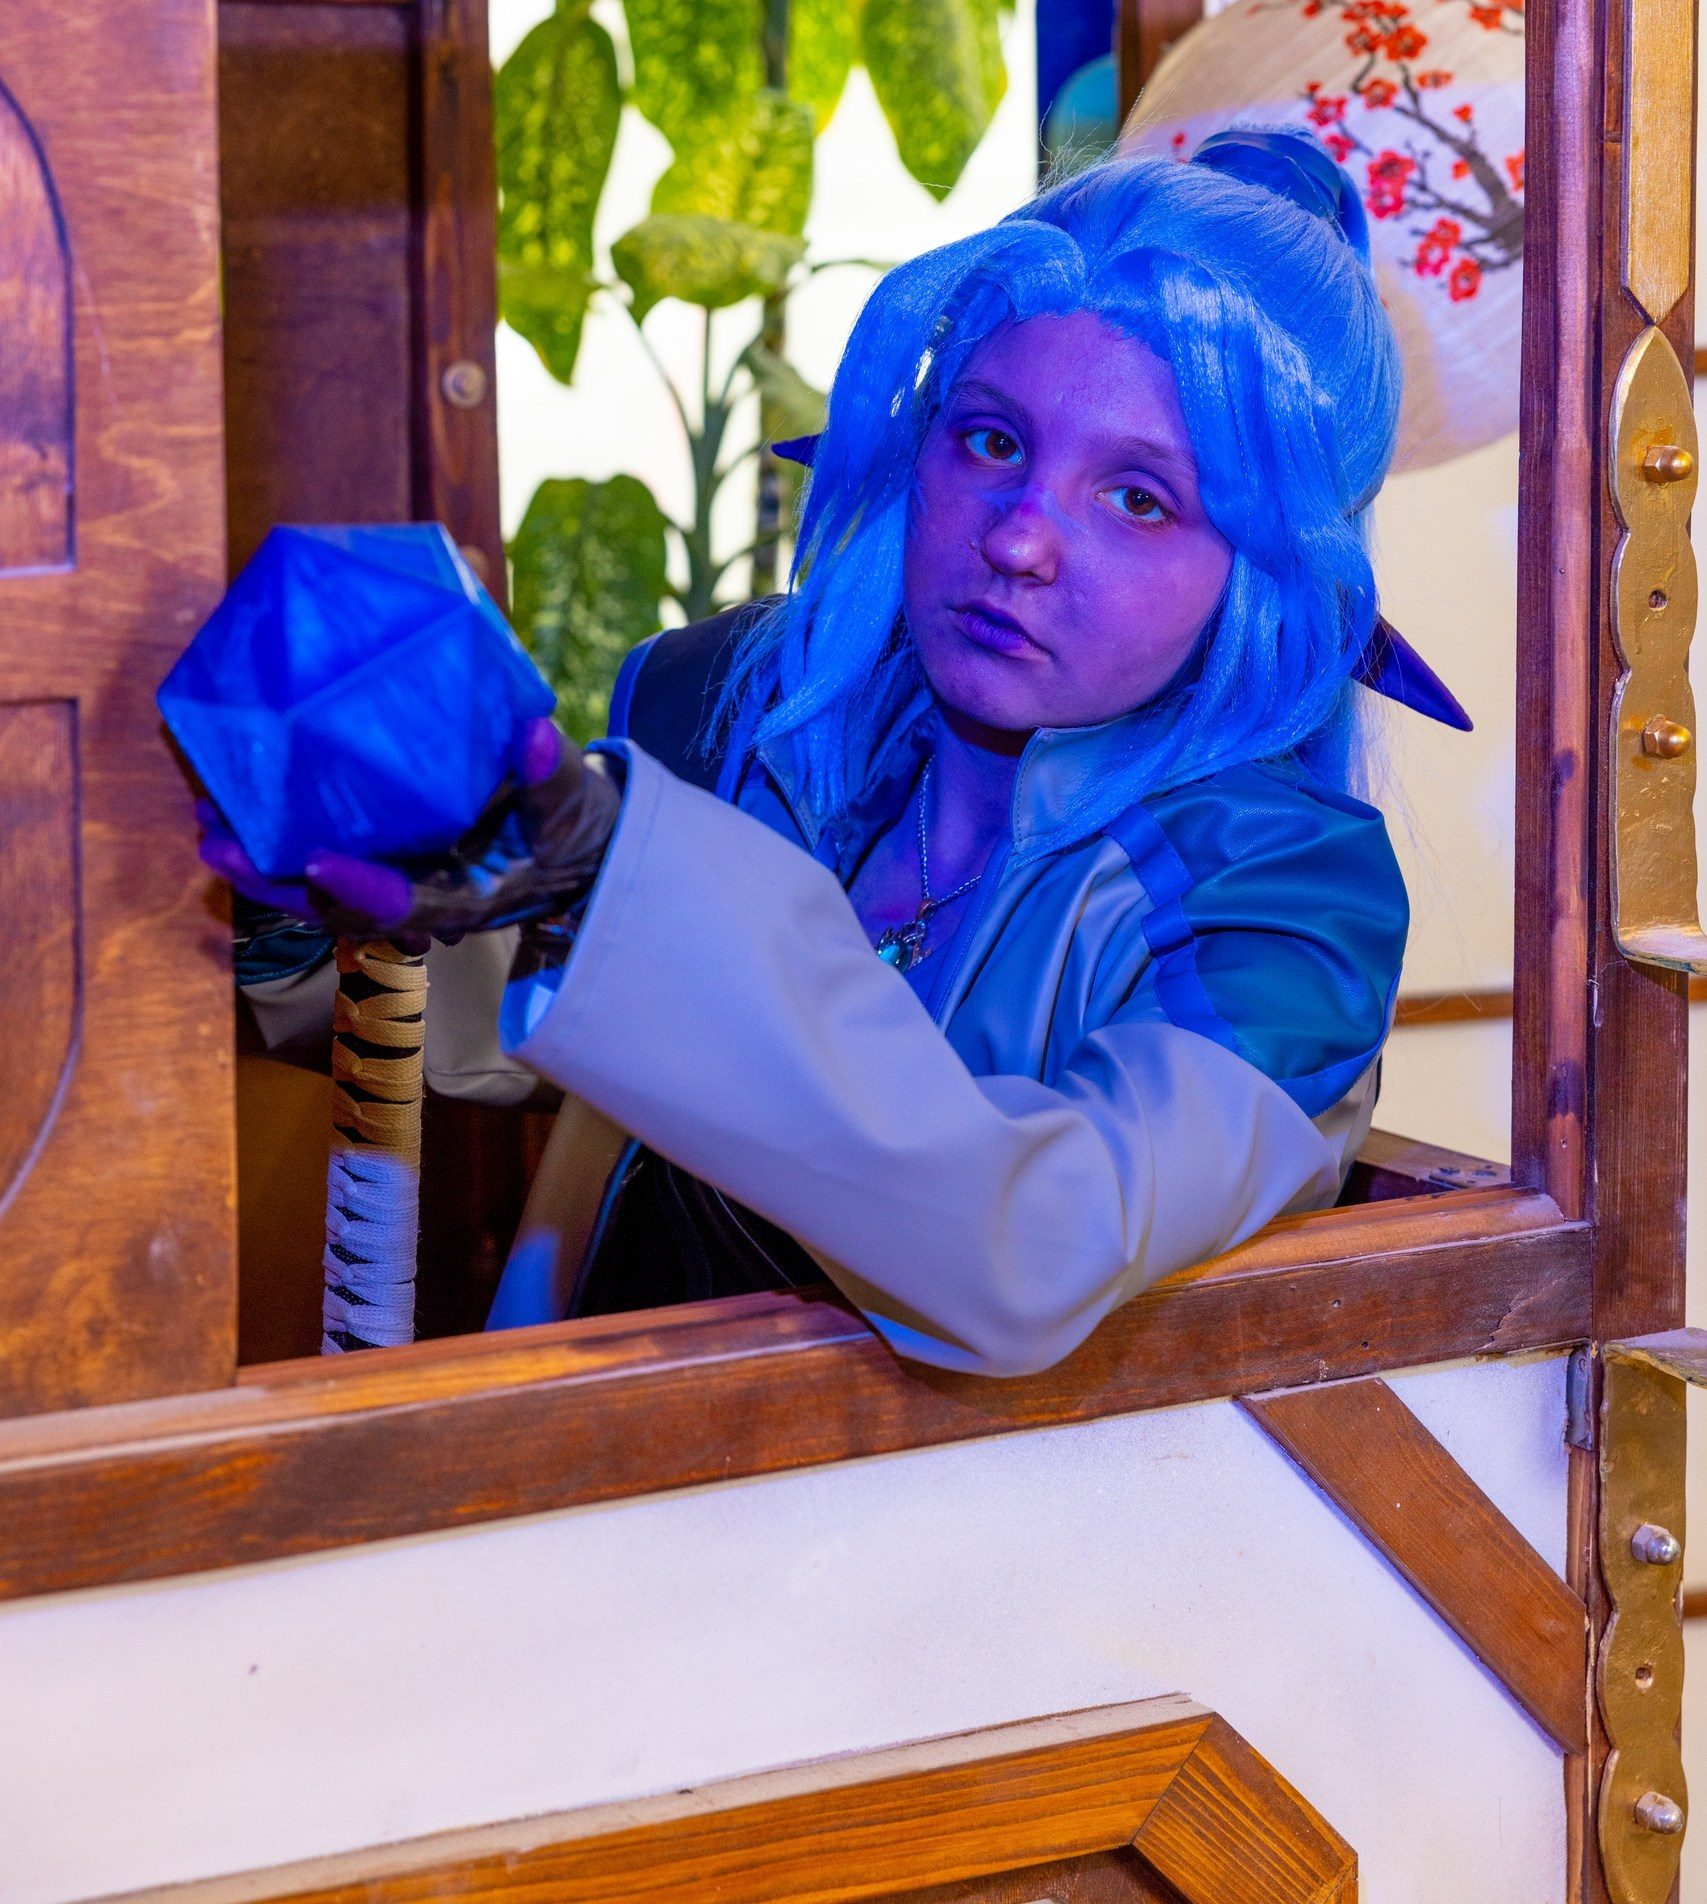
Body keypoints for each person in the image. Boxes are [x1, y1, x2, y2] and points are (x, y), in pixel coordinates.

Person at [211, 130, 1423, 1378]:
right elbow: (505, 1006)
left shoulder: (1287, 900)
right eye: (993, 441)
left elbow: (1034, 1246)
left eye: (1139, 498)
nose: (1019, 541)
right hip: (584, 1464)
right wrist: (308, 890)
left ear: (1264, 583)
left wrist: (612, 880)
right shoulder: (749, 710)